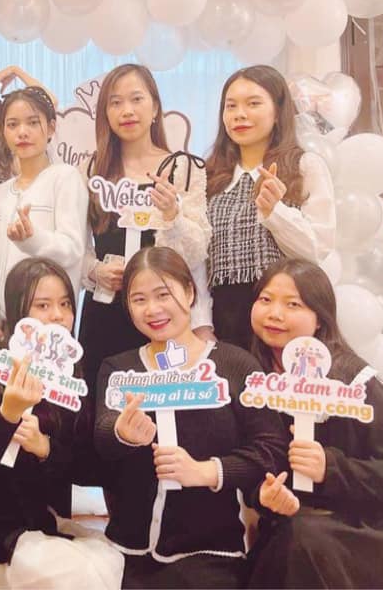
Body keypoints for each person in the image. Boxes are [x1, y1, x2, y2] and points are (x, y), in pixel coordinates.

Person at [95, 246, 287, 589]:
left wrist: (207, 471)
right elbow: (100, 439)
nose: (153, 309)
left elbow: (271, 449)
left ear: (189, 291)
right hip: (125, 552)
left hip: (212, 553)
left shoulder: (235, 364)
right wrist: (121, 432)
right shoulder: (119, 368)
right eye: (139, 299)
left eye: (163, 294)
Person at [0, 258, 123, 590]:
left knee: (109, 561)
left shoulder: (73, 374)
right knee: (78, 577)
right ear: (18, 311)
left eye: (65, 304)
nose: (57, 316)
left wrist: (46, 448)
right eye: (43, 305)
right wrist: (8, 416)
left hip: (40, 517)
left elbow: (87, 467)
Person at [245, 258, 383, 589]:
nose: (275, 314)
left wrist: (330, 467)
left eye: (293, 304)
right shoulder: (252, 376)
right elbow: (251, 462)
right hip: (290, 525)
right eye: (265, 299)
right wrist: (263, 496)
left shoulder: (352, 379)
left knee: (302, 542)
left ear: (319, 319)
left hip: (361, 525)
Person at [80, 63, 213, 403]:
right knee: (104, 406)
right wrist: (95, 271)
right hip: (105, 311)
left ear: (155, 107)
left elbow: (197, 250)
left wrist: (172, 214)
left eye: (136, 99)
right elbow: (76, 244)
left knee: (165, 407)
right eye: (115, 102)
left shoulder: (183, 168)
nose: (126, 110)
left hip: (162, 312)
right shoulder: (92, 169)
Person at [204, 65, 335, 350]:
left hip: (284, 320)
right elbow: (198, 262)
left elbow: (316, 251)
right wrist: (200, 323)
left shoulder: (304, 166)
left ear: (278, 112)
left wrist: (275, 212)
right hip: (222, 320)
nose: (239, 114)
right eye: (231, 106)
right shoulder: (209, 176)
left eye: (253, 104)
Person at [0, 82, 88, 347]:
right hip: (3, 327)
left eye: (33, 123)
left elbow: (73, 250)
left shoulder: (65, 177)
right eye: (12, 124)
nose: (22, 132)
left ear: (51, 128)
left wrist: (32, 240)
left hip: (48, 327)